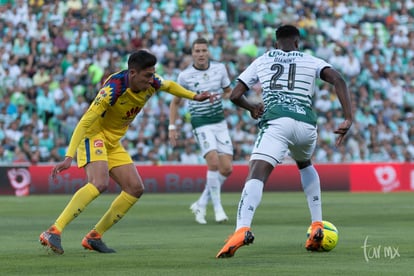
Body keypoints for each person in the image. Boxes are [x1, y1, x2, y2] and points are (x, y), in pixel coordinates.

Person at [39, 50, 215, 254]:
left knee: (135, 188)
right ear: (132, 73)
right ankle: (54, 231)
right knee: (99, 182)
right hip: (93, 134)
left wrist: (195, 96)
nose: (152, 80)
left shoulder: (152, 83)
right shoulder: (113, 89)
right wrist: (69, 156)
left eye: (153, 74)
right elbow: (86, 120)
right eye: (147, 76)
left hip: (112, 140)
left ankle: (94, 236)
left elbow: (169, 85)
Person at [216, 25, 353, 258]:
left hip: (278, 121)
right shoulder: (311, 60)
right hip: (307, 125)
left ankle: (242, 229)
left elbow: (235, 95)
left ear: (276, 43)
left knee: (257, 173)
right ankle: (317, 224)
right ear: (297, 43)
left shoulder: (263, 60)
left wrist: (252, 108)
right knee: (305, 164)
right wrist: (348, 117)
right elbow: (338, 79)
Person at [169, 38, 233, 224]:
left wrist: (225, 96)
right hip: (201, 122)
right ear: (192, 54)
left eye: (204, 50)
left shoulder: (220, 69)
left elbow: (228, 91)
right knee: (213, 162)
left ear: (208, 52)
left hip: (219, 122)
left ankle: (201, 202)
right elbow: (175, 101)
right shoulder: (185, 76)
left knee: (227, 168)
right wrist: (172, 127)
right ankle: (217, 209)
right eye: (197, 51)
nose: (201, 54)